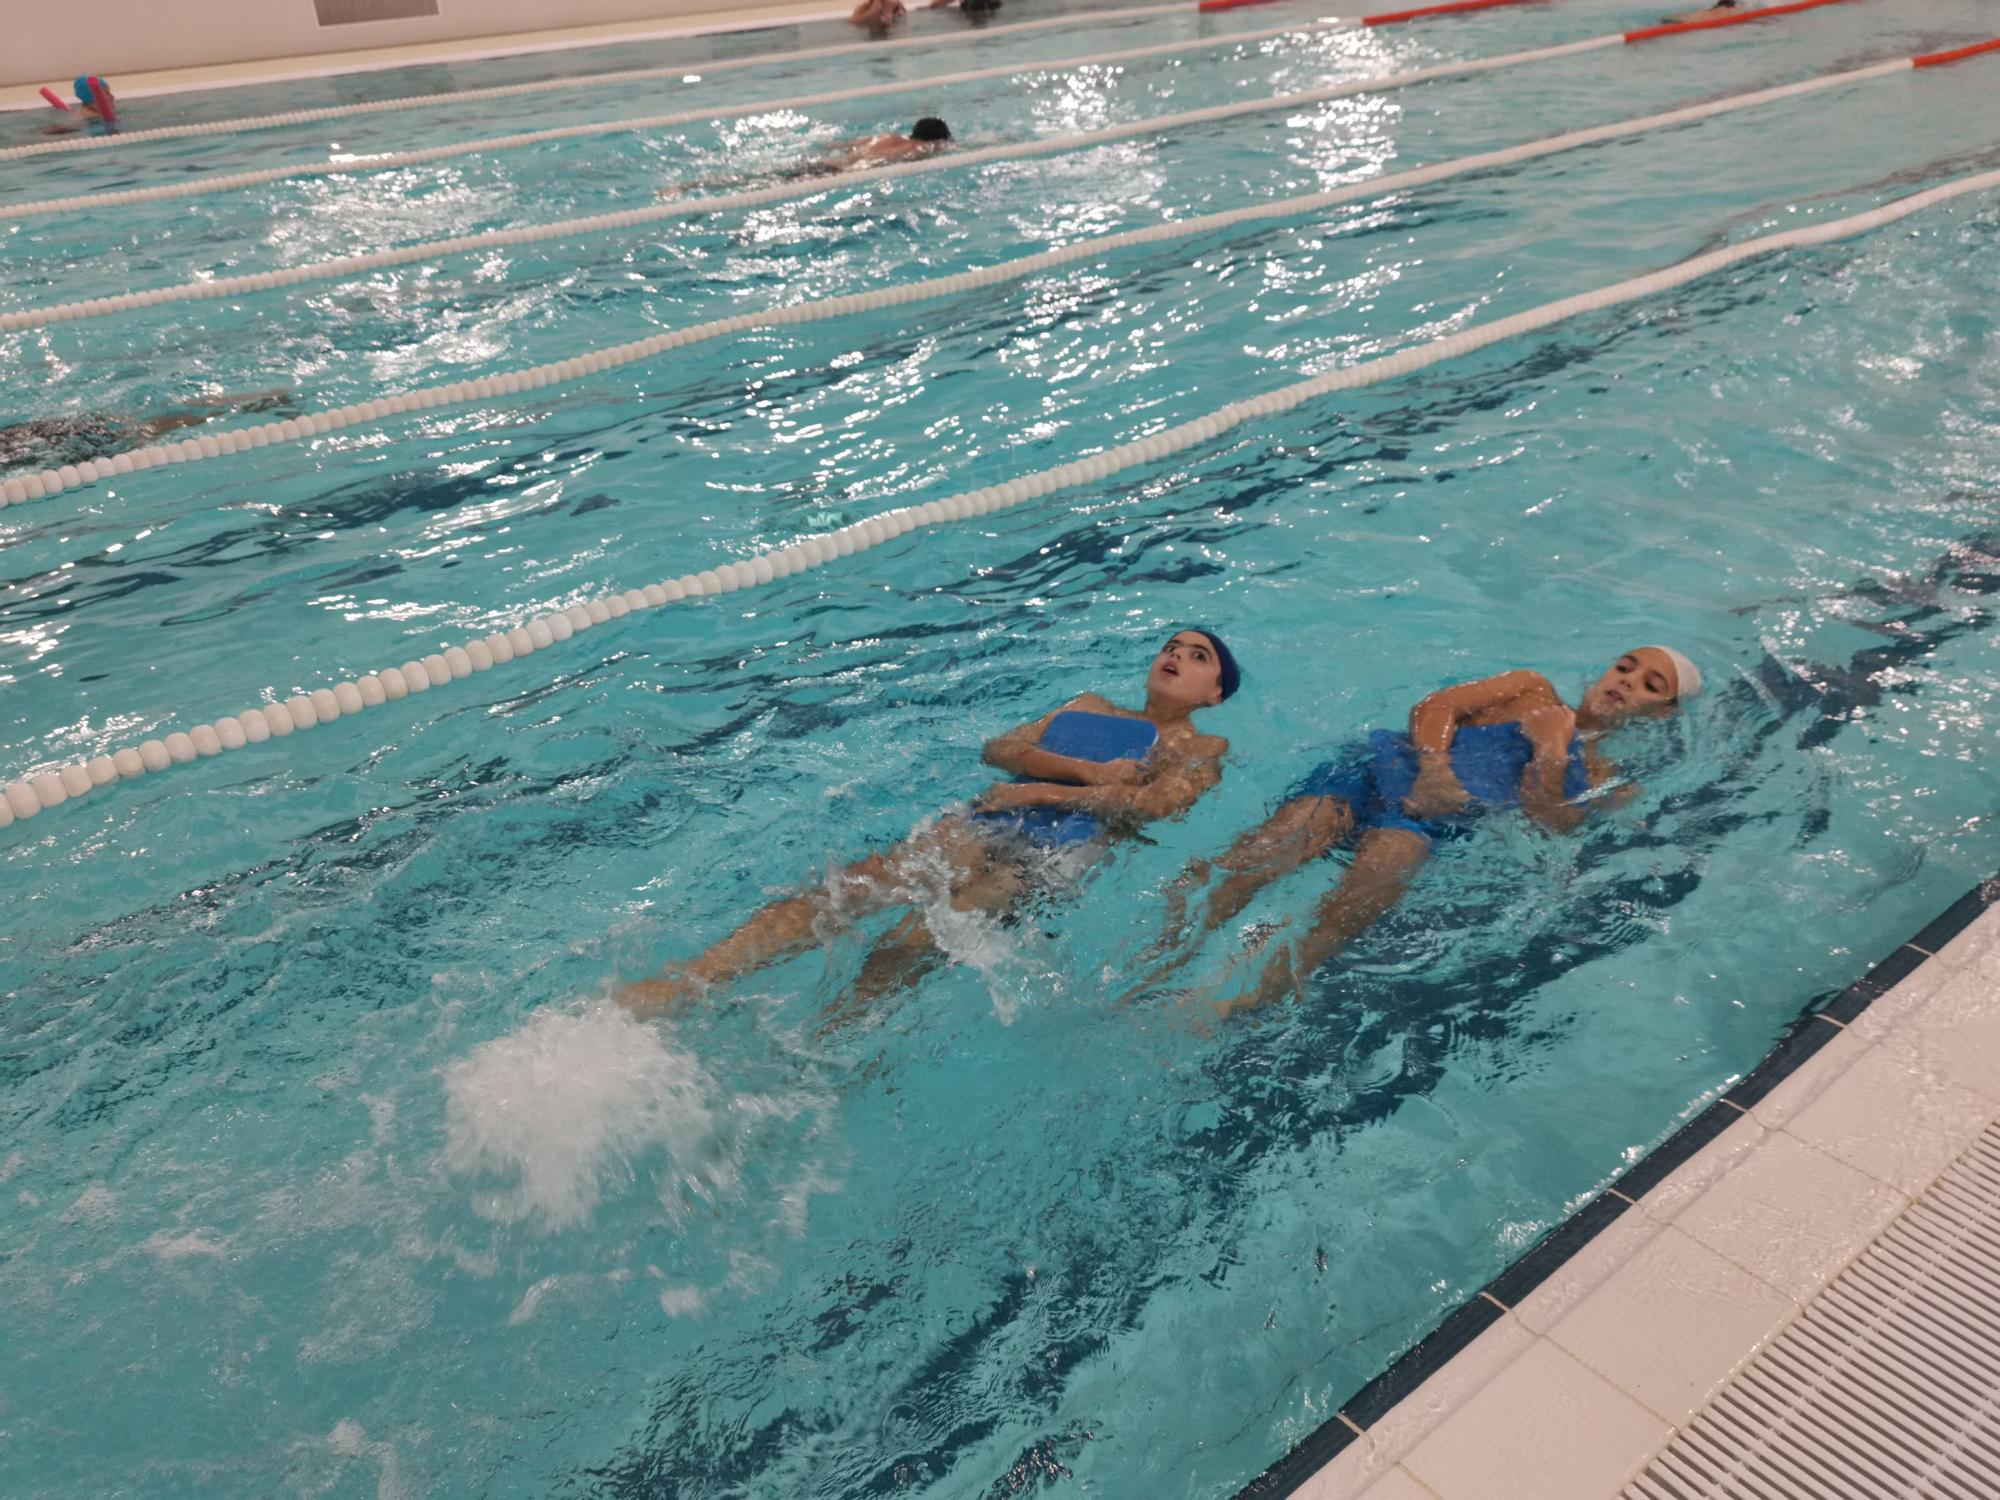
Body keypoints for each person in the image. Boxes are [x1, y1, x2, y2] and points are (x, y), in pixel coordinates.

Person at [619, 629, 1241, 1019]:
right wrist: (1088, 770)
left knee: (913, 942)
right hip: (988, 819)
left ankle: (829, 1036)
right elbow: (1000, 749)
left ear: (1215, 693)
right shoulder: (1088, 707)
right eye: (1171, 647)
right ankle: (687, 983)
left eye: (1197, 656)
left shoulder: (1200, 747)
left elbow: (1160, 807)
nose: (1175, 656)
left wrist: (1055, 786)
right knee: (852, 888)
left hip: (1048, 859)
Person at [1153, 646, 1702, 1020]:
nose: (1625, 683)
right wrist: (1435, 767)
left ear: (1662, 713)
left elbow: (1551, 822)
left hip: (1426, 822)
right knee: (1269, 849)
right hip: (1375, 772)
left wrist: (1553, 750)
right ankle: (1162, 956)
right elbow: (1435, 706)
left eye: (1648, 685)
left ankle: (1251, 1001)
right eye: (1624, 668)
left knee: (1375, 880)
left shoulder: (1612, 782)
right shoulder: (1532, 690)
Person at [0, 388, 298, 474]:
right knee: (146, 425)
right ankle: (253, 400)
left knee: (146, 428)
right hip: (32, 439)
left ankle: (255, 400)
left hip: (50, 442)